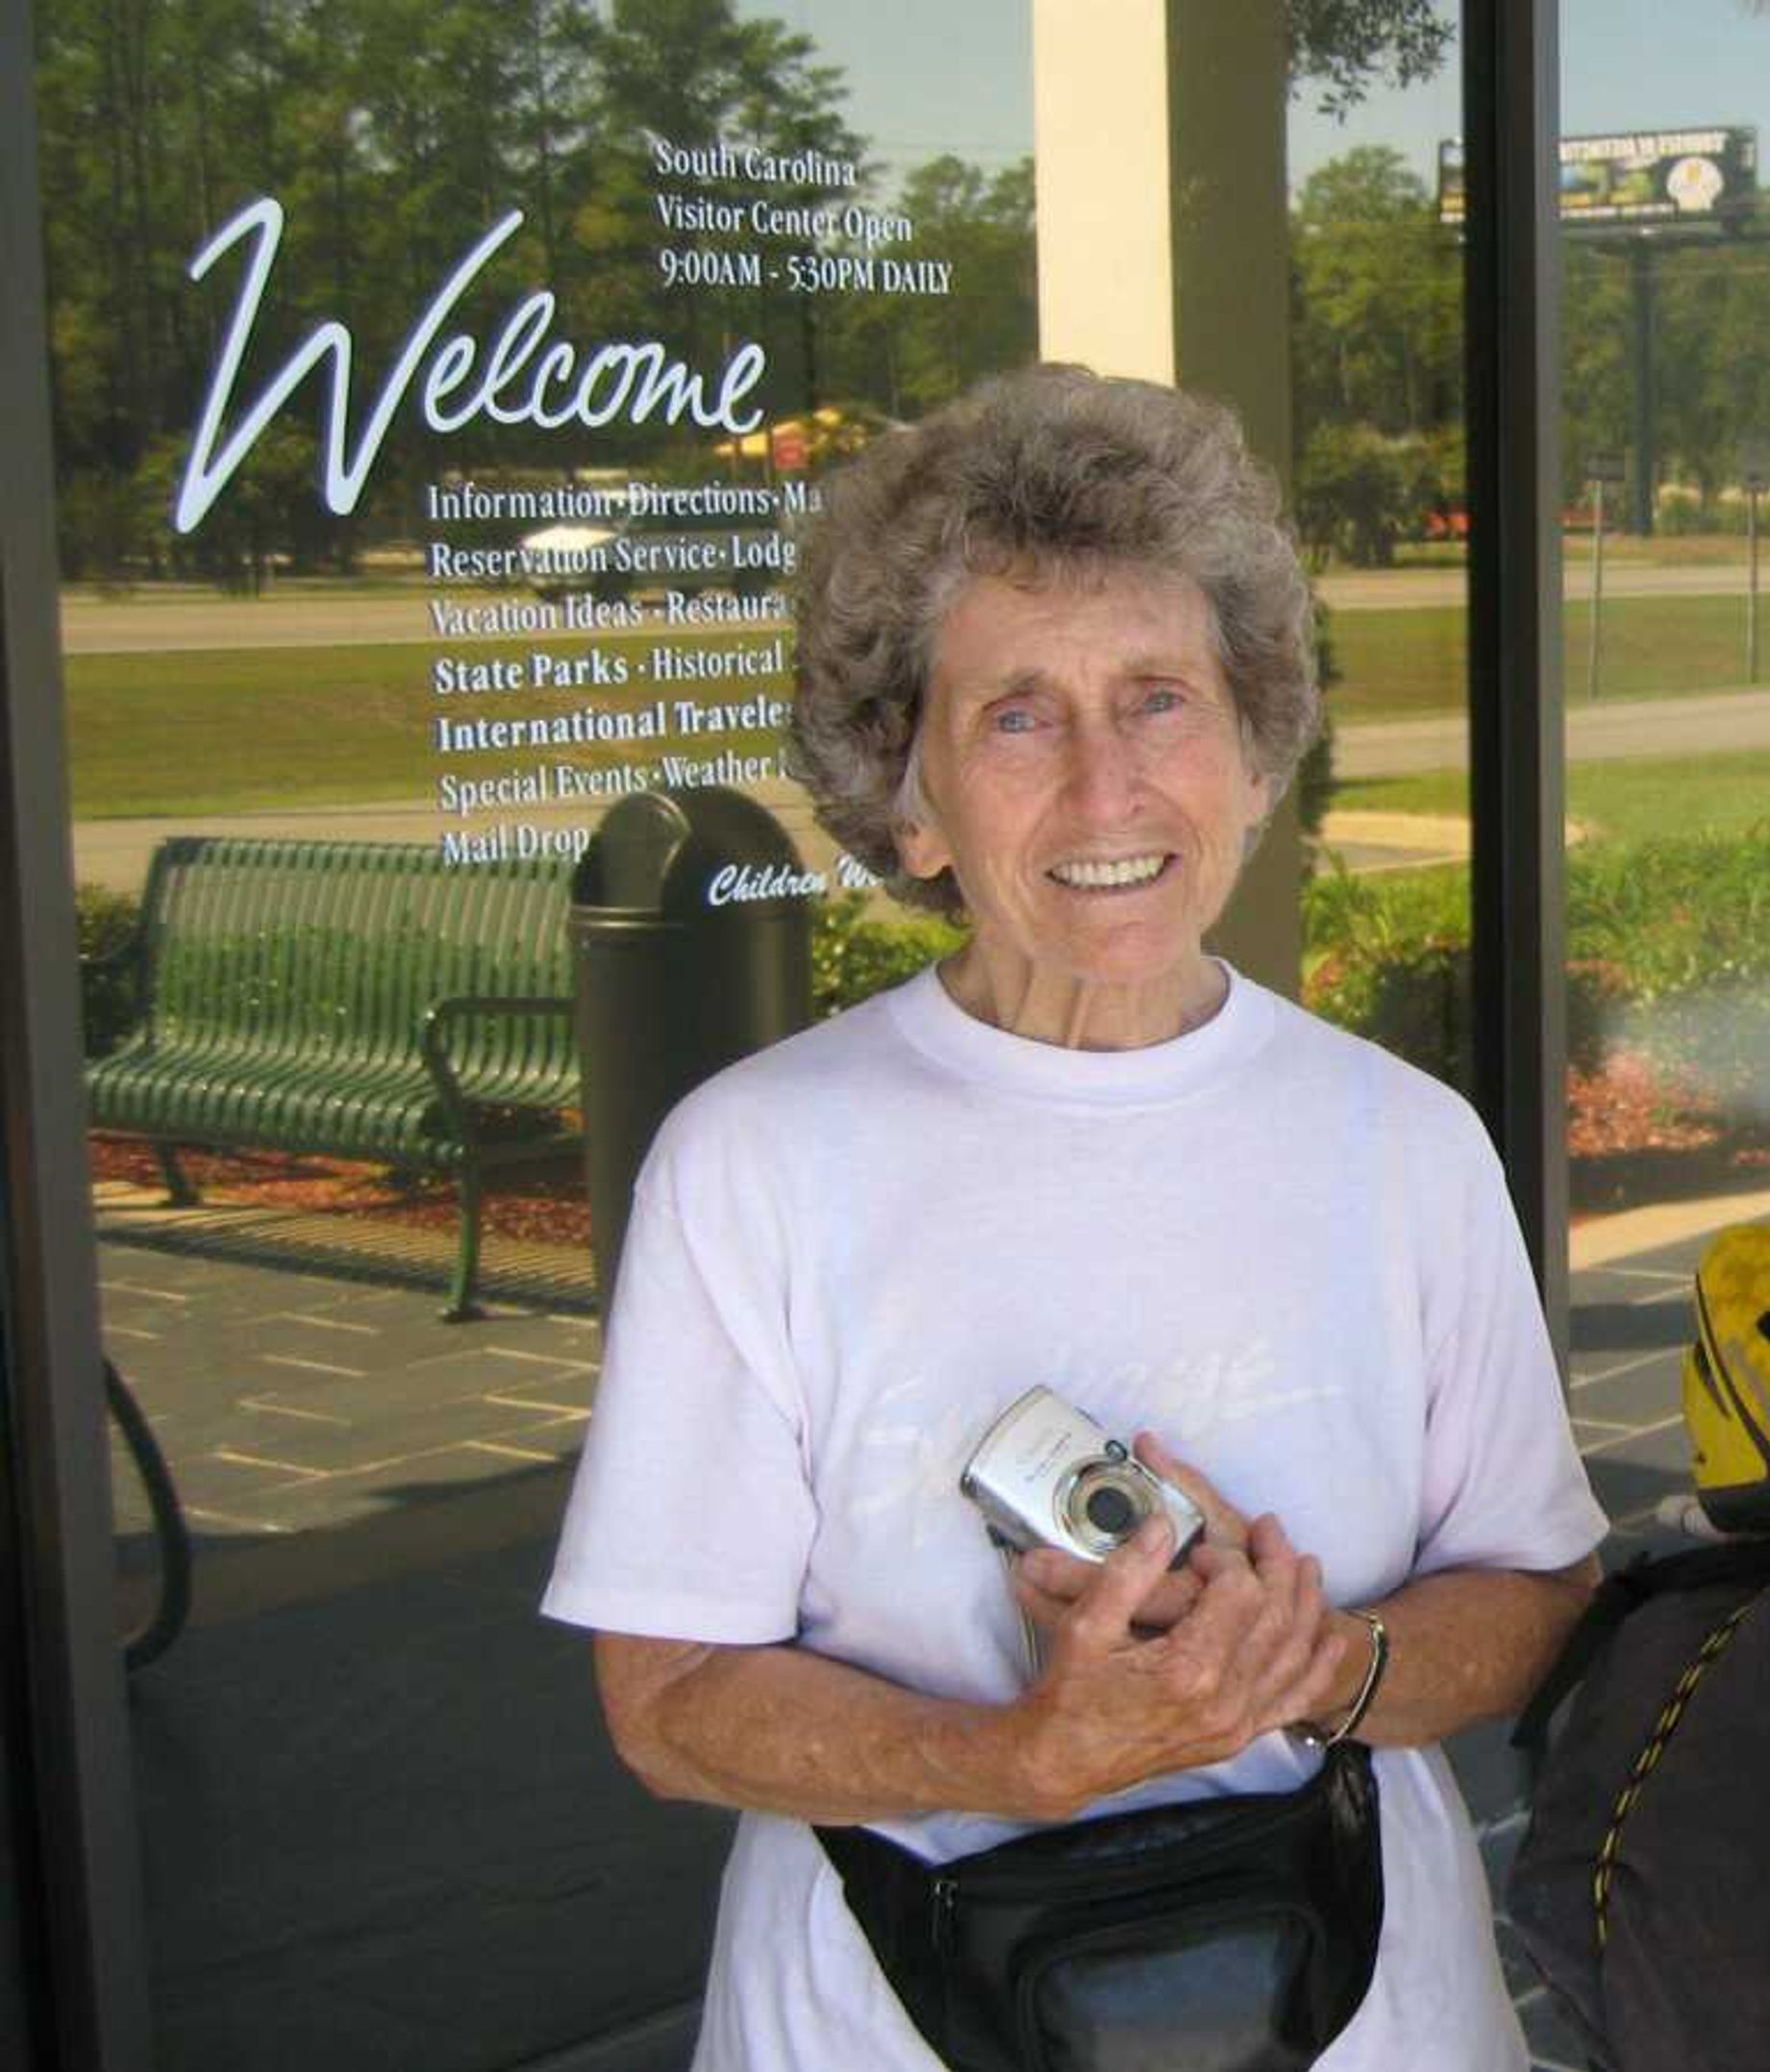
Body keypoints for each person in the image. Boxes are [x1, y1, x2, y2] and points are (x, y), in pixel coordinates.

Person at [543, 364, 1607, 2070]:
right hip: (886, 2025)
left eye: (1162, 701)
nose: (1110, 792)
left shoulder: (1400, 1141)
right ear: (910, 802)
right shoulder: (757, 1162)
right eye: (1019, 714)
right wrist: (1014, 1759)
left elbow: (1538, 1594)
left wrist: (1311, 1667)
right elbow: (667, 1705)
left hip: (1369, 2021)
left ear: (1257, 761)